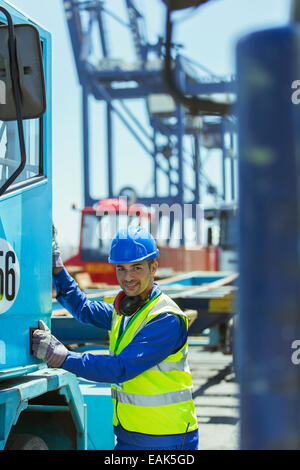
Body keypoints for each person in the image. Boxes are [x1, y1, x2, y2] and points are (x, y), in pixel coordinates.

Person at [32, 225, 199, 451]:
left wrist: (63, 357)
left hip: (166, 438)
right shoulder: (126, 311)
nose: (128, 277)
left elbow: (120, 368)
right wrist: (58, 270)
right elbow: (84, 308)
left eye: (137, 268)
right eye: (121, 269)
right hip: (129, 435)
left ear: (154, 266)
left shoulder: (165, 319)